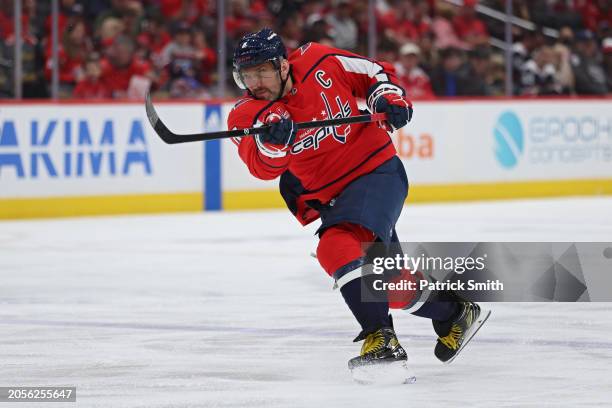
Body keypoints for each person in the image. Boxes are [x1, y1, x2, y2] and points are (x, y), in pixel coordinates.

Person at [227, 28, 488, 370]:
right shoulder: (246, 115)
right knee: (389, 285)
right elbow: (263, 169)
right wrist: (275, 142)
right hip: (334, 198)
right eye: (248, 74)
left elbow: (375, 73)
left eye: (263, 70)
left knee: (335, 246)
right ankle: (457, 314)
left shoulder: (320, 61)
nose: (255, 81)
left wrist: (387, 98)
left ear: (284, 66)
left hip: (377, 173)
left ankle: (379, 338)